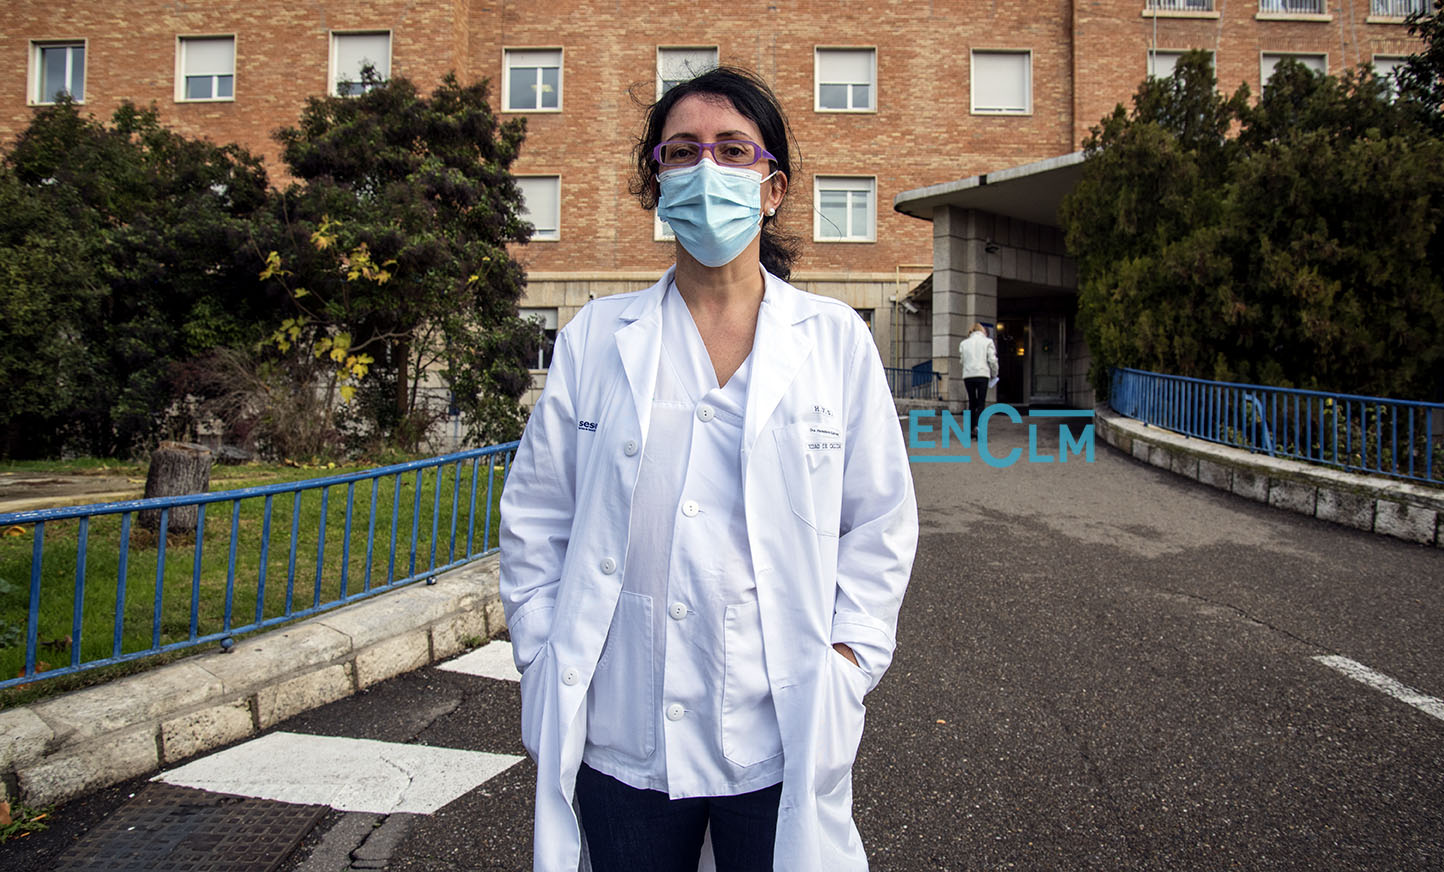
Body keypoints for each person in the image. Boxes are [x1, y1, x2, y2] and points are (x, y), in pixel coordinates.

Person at [499, 66, 918, 872]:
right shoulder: (597, 337)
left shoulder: (834, 343)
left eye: (733, 150)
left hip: (781, 722)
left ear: (773, 188)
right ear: (657, 184)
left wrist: (848, 662)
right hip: (624, 728)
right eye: (683, 152)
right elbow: (538, 515)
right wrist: (544, 648)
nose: (706, 170)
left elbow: (879, 520)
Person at [958, 322, 999, 433]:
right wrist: (994, 374)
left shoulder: (964, 343)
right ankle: (979, 427)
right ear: (983, 331)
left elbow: (962, 360)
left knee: (972, 402)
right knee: (981, 402)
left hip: (968, 375)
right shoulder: (988, 342)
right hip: (982, 374)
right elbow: (992, 360)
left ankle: (970, 428)